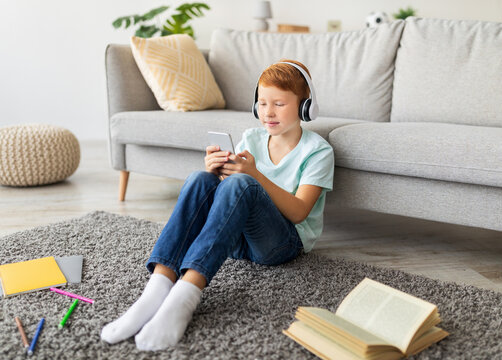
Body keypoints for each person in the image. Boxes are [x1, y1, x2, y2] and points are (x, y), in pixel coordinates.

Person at [100, 59, 334, 351]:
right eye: (262, 103)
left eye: (279, 104)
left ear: (305, 107)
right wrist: (217, 171)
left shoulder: (318, 152)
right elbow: (230, 197)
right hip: (237, 240)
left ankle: (187, 293)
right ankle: (158, 288)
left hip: (282, 245)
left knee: (243, 183)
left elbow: (299, 213)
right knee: (201, 179)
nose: (268, 112)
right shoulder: (253, 137)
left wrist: (253, 175)